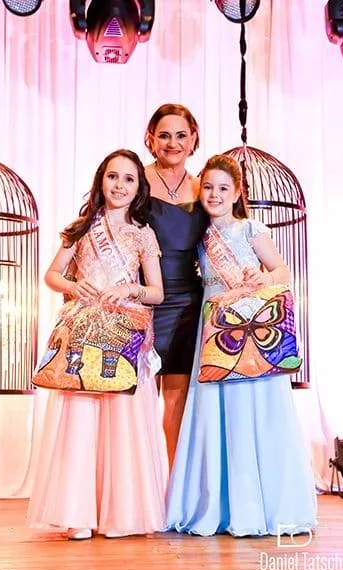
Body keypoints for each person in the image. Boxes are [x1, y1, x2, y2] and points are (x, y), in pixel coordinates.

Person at [166, 154, 317, 536]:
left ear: (237, 193)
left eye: (223, 188)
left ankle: (262, 507)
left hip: (251, 329)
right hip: (215, 331)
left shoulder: (250, 228)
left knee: (255, 411)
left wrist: (262, 278)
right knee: (215, 416)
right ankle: (218, 507)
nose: (214, 195)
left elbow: (282, 270)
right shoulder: (199, 236)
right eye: (208, 187)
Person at [27, 149, 168, 540]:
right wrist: (74, 286)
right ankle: (78, 515)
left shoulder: (143, 233)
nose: (119, 185)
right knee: (81, 420)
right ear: (101, 180)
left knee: (123, 421)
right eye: (112, 176)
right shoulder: (83, 227)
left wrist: (131, 289)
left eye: (128, 179)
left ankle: (120, 514)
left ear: (139, 188)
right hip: (85, 333)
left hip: (124, 334)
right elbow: (52, 275)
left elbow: (157, 292)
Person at [144, 103, 208, 468]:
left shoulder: (204, 187)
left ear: (193, 139)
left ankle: (173, 485)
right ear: (151, 139)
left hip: (186, 302)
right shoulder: (135, 180)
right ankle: (141, 486)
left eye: (181, 135)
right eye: (165, 135)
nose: (173, 143)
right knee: (139, 396)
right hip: (143, 299)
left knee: (177, 396)